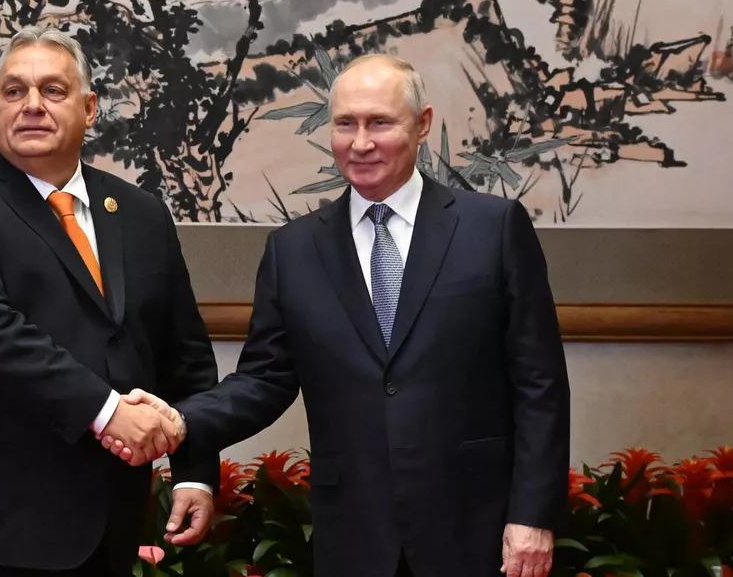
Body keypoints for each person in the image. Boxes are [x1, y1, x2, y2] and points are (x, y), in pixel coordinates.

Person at [109, 54, 571, 577]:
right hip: (354, 535)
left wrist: (532, 515)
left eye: (380, 122)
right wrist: (181, 420)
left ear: (422, 124)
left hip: (476, 528)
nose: (361, 142)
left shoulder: (493, 229)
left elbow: (540, 385)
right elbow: (264, 379)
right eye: (345, 124)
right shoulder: (294, 250)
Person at [0, 25, 219, 576]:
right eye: (14, 92)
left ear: (90, 109)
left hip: (105, 528)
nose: (32, 107)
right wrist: (109, 411)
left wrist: (193, 470)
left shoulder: (141, 213)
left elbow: (183, 353)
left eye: (53, 90)